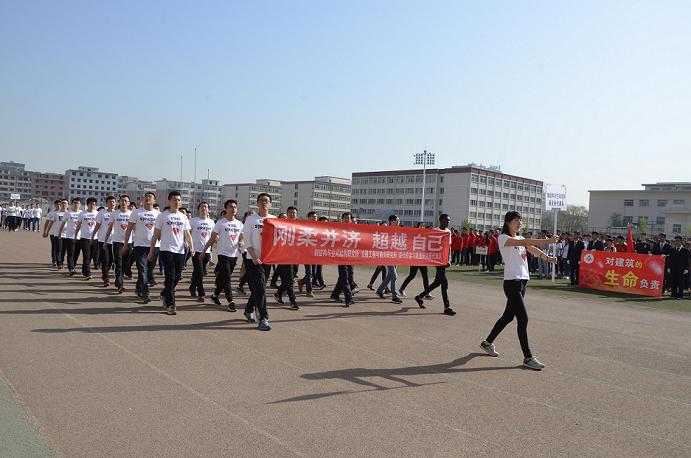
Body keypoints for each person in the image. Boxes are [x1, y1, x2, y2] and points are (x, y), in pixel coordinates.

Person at [480, 211, 558, 370]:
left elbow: (532, 249)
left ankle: (487, 343)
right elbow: (528, 242)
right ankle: (528, 357)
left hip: (523, 282)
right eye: (516, 220)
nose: (519, 223)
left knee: (508, 317)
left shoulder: (521, 239)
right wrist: (547, 240)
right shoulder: (503, 238)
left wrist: (547, 258)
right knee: (523, 319)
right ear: (508, 222)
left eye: (520, 220)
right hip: (512, 283)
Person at [149, 191, 194, 315]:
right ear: (169, 201)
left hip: (180, 251)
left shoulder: (183, 217)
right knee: (170, 276)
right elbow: (156, 234)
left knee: (177, 276)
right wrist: (151, 250)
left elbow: (188, 234)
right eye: (174, 200)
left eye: (179, 200)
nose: (177, 202)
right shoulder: (163, 216)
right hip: (166, 249)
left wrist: (192, 247)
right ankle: (171, 304)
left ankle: (164, 293)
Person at [242, 193, 275, 330]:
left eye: (266, 201)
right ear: (257, 203)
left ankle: (248, 310)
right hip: (253, 260)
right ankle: (263, 318)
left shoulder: (274, 219)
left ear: (270, 204)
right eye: (261, 201)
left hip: (268, 259)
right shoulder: (251, 219)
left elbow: (278, 240)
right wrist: (254, 257)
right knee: (261, 288)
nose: (263, 203)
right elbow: (246, 240)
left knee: (258, 289)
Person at [204, 199, 243, 311]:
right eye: (230, 206)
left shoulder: (239, 224)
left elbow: (242, 236)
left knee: (223, 278)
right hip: (223, 254)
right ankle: (231, 301)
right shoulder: (221, 223)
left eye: (235, 207)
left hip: (234, 255)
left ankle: (215, 296)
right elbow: (212, 238)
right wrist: (204, 251)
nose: (233, 208)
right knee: (227, 278)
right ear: (226, 209)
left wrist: (241, 242)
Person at [414, 214, 456, 316]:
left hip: (444, 259)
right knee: (444, 282)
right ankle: (447, 307)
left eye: (449, 220)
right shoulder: (435, 231)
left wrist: (448, 259)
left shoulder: (448, 232)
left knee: (437, 282)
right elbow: (429, 244)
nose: (448, 222)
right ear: (441, 220)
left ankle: (419, 297)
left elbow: (448, 247)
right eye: (447, 220)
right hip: (437, 260)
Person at [122, 192, 159, 303]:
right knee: (142, 270)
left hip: (154, 246)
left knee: (148, 271)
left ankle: (139, 288)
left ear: (154, 201)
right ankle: (145, 293)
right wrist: (125, 244)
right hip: (139, 246)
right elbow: (128, 229)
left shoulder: (158, 214)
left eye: (150, 197)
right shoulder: (136, 212)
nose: (148, 198)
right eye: (146, 196)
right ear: (143, 200)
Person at [105, 195, 133, 293]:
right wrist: (105, 241)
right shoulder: (114, 214)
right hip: (117, 242)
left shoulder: (132, 214)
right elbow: (109, 228)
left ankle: (120, 281)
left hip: (129, 242)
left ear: (128, 203)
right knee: (118, 263)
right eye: (122, 201)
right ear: (119, 202)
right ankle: (120, 284)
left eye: (126, 201)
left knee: (126, 264)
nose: (124, 202)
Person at [274, 206, 300, 310]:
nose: (292, 214)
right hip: (284, 257)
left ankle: (278, 294)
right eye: (290, 212)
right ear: (287, 214)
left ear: (296, 215)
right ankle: (293, 301)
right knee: (289, 280)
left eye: (294, 213)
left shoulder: (300, 226)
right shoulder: (281, 226)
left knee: (289, 278)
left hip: (296, 257)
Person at [188, 202, 214, 301]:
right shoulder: (193, 221)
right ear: (198, 209)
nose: (204, 208)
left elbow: (213, 236)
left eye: (206, 207)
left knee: (199, 272)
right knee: (199, 271)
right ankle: (201, 292)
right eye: (202, 207)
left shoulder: (211, 222)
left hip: (206, 251)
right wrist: (190, 247)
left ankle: (192, 287)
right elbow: (188, 234)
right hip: (196, 250)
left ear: (208, 210)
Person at [399, 222, 432, 299]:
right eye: (421, 226)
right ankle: (402, 289)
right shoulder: (413, 235)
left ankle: (427, 293)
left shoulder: (425, 236)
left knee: (425, 276)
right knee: (412, 275)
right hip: (415, 258)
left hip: (422, 259)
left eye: (423, 226)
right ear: (417, 227)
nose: (422, 227)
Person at [330, 212, 356, 307]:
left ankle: (335, 294)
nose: (346, 219)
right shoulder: (338, 229)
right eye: (345, 218)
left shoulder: (353, 231)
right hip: (341, 257)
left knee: (344, 277)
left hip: (350, 257)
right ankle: (348, 299)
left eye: (348, 218)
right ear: (342, 219)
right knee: (345, 278)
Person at [376, 214, 403, 304]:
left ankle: (380, 290)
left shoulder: (399, 231)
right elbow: (381, 244)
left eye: (399, 220)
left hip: (396, 256)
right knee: (394, 276)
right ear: (391, 221)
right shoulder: (386, 231)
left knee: (389, 276)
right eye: (397, 220)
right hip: (388, 256)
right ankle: (394, 297)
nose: (399, 221)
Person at [92, 196, 116, 287]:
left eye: (113, 202)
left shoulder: (117, 213)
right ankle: (106, 278)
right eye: (110, 202)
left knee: (111, 260)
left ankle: (105, 273)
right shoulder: (102, 213)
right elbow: (97, 225)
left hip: (115, 240)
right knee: (105, 259)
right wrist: (93, 236)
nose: (112, 203)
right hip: (103, 240)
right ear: (106, 203)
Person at [73, 197, 99, 279]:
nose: (92, 206)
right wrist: (75, 235)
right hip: (84, 238)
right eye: (91, 204)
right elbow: (78, 225)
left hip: (95, 239)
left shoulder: (98, 214)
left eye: (94, 204)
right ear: (87, 204)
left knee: (91, 256)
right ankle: (87, 273)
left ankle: (84, 270)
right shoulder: (82, 214)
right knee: (86, 255)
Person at [59, 198, 82, 276]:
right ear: (72, 204)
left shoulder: (82, 213)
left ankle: (73, 266)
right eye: (75, 203)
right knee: (70, 253)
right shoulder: (68, 213)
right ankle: (71, 268)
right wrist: (60, 232)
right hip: (70, 236)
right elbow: (63, 223)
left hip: (80, 237)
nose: (76, 205)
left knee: (76, 253)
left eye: (78, 203)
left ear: (80, 205)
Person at [43, 199, 67, 268]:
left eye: (60, 204)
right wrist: (46, 231)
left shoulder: (67, 213)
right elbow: (48, 223)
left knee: (62, 249)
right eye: (57, 204)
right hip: (53, 233)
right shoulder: (52, 213)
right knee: (55, 247)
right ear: (55, 205)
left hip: (65, 234)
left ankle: (59, 260)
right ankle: (55, 260)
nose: (59, 206)